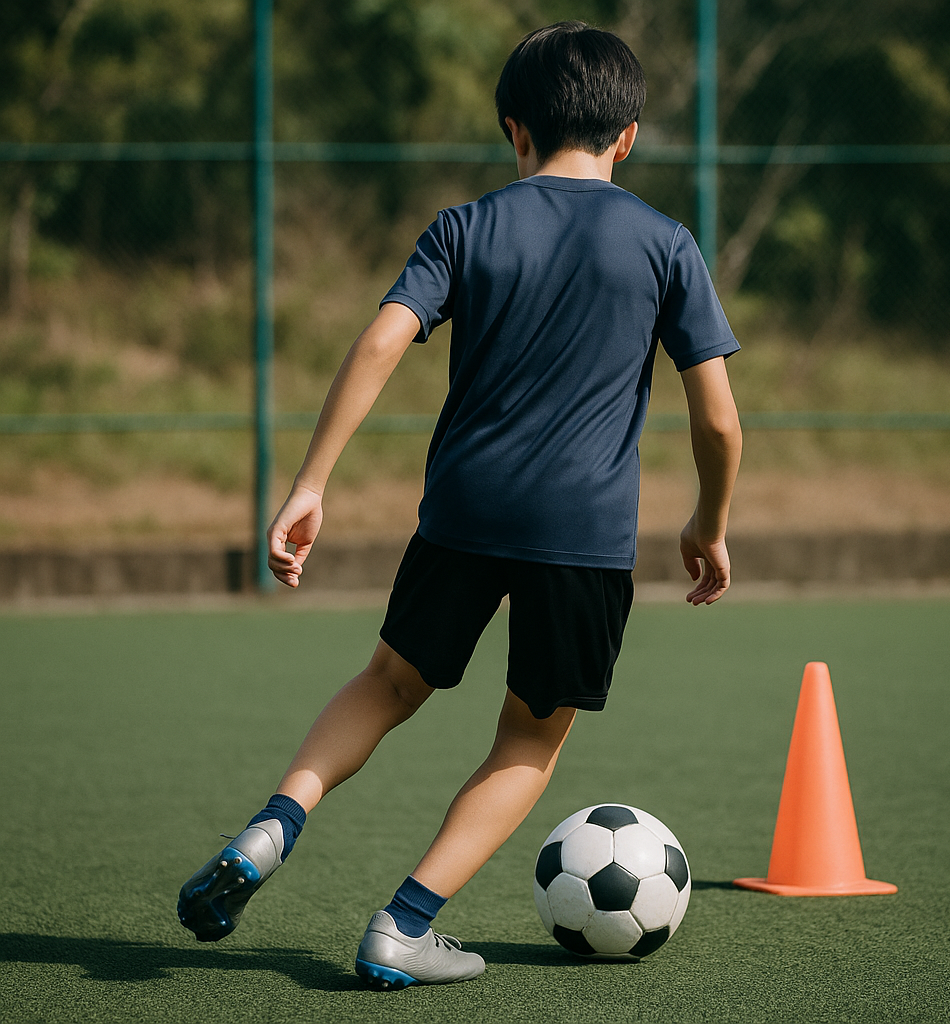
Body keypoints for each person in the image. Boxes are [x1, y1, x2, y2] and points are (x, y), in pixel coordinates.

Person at [177, 21, 742, 989]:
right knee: (528, 736)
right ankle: (402, 925)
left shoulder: (465, 226)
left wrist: (312, 480)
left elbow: (381, 341)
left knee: (390, 682)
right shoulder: (666, 244)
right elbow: (720, 422)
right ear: (630, 135)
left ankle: (278, 821)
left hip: (463, 512)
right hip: (583, 536)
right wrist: (710, 522)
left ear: (513, 132)